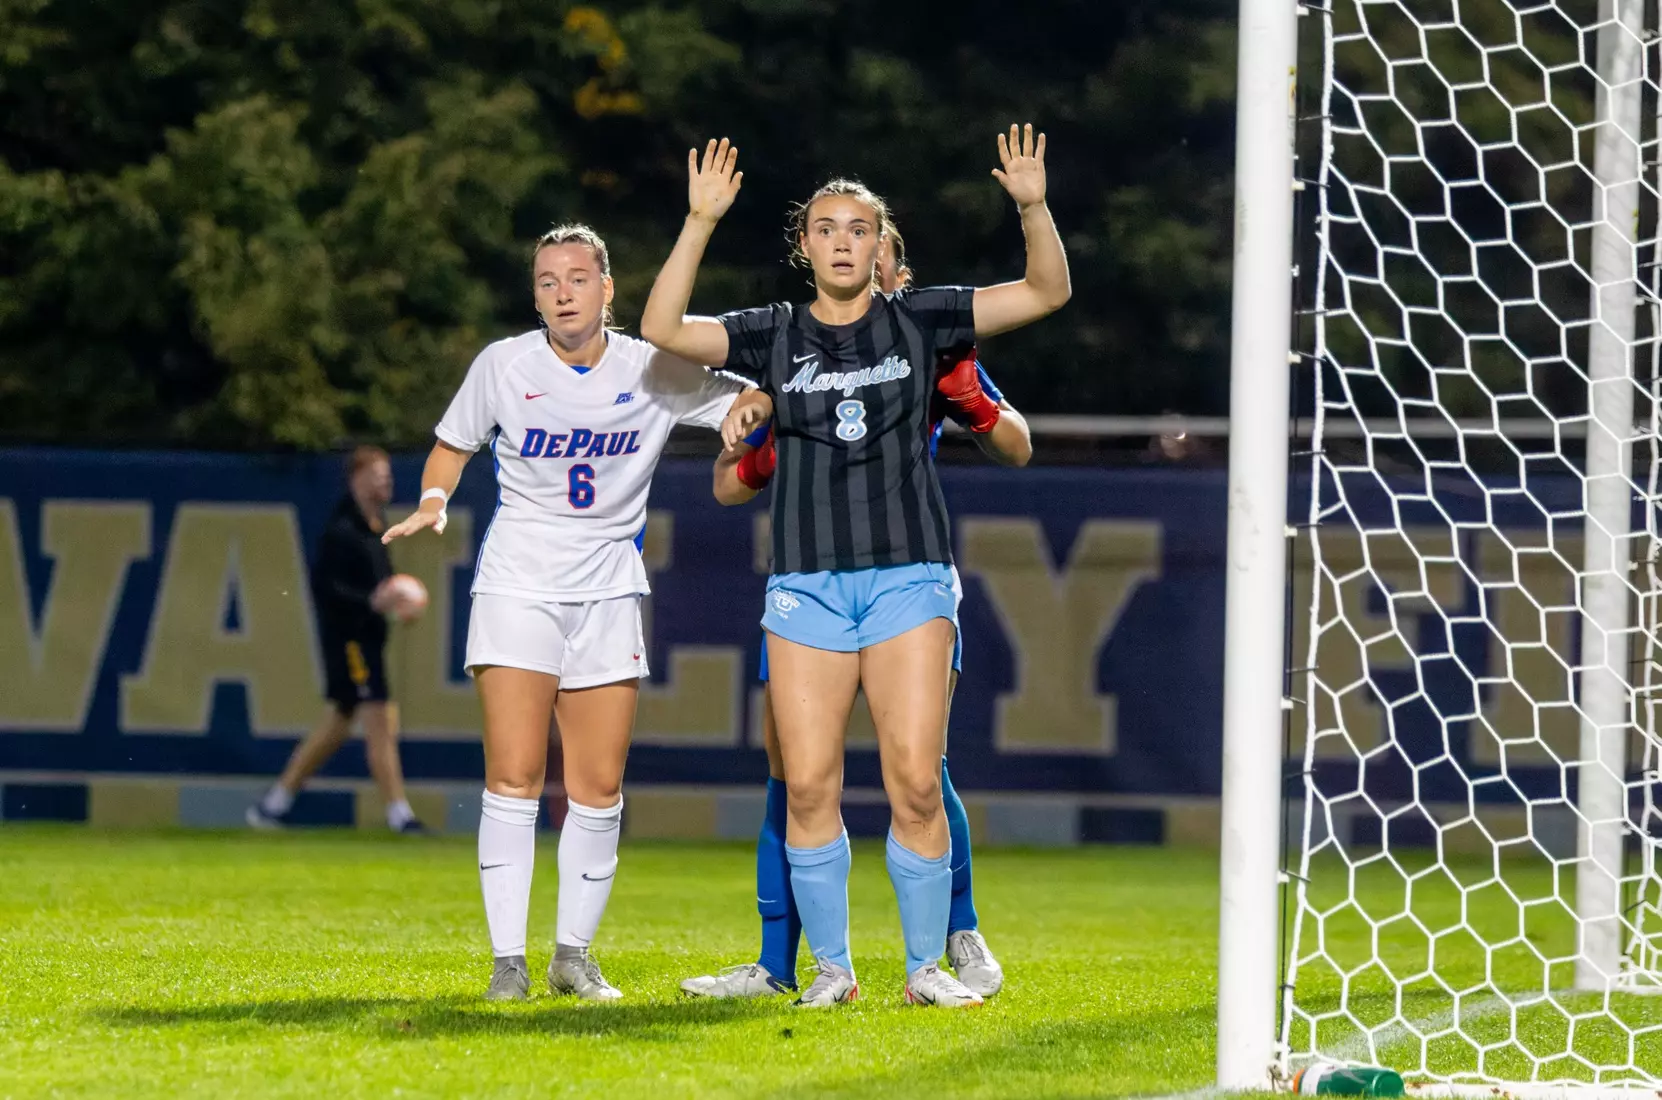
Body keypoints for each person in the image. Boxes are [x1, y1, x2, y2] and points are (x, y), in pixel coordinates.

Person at [640, 124, 1069, 1007]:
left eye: (859, 229)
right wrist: (698, 222)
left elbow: (1046, 291)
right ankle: (830, 969)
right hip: (805, 585)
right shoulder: (773, 334)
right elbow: (659, 329)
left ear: (882, 247)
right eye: (826, 228)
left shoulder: (925, 320)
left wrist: (1031, 204)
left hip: (909, 577)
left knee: (915, 775)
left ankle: (924, 969)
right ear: (805, 245)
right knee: (808, 784)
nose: (843, 241)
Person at [381, 223, 756, 1002]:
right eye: (547, 281)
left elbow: (741, 403)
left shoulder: (651, 369)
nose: (561, 293)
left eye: (577, 278)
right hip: (519, 584)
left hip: (610, 590)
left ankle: (572, 957)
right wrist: (432, 500)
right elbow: (453, 444)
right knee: (514, 776)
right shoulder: (504, 364)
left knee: (597, 786)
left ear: (608, 290)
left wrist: (749, 422)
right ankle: (507, 963)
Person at [247, 446, 429, 834]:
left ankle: (273, 804)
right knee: (379, 720)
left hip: (367, 640)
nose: (387, 481)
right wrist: (373, 601)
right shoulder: (342, 530)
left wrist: (395, 607)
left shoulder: (375, 526)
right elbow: (327, 588)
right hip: (351, 643)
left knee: (336, 725)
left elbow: (379, 591)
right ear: (356, 479)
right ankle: (400, 815)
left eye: (387, 474)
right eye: (378, 474)